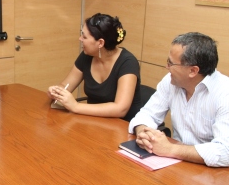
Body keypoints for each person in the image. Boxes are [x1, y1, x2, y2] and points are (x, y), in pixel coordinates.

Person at [129, 32, 229, 167]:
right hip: (175, 164)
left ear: (193, 71)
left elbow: (225, 151)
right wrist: (144, 134)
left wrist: (171, 149)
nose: (167, 67)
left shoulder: (224, 93)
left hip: (210, 173)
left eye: (171, 63)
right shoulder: (171, 81)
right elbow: (147, 114)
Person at [47, 13, 141, 122]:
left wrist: (76, 106)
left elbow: (120, 109)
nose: (80, 39)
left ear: (100, 43)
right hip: (94, 122)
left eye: (84, 36)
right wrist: (56, 91)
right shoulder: (87, 55)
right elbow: (66, 85)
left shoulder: (127, 62)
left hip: (124, 127)